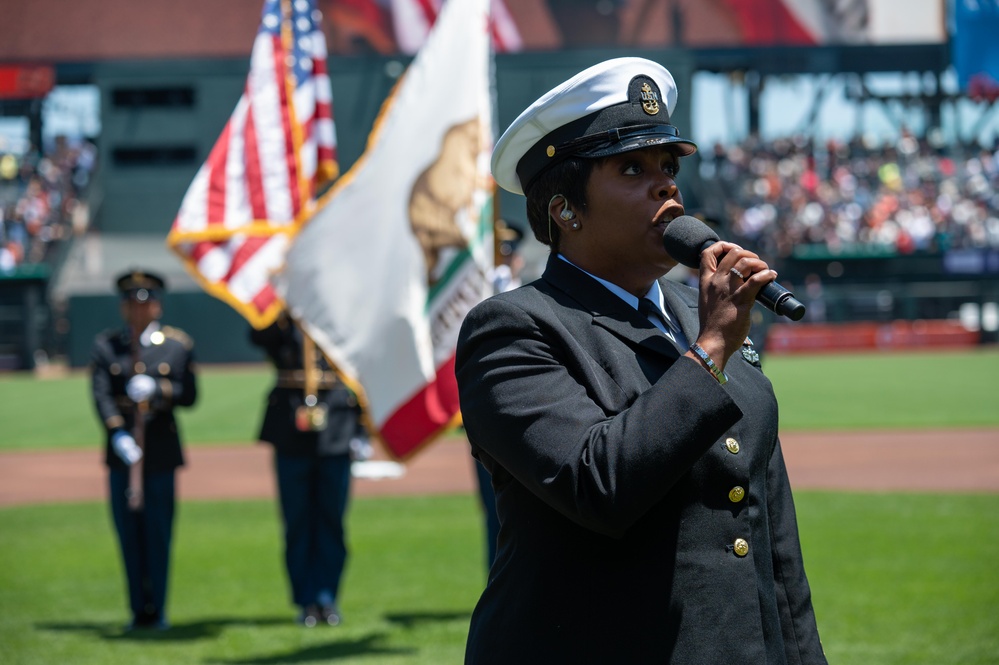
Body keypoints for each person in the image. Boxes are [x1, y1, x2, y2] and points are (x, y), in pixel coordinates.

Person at [455, 57, 828, 663]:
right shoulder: (513, 329)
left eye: (669, 166)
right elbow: (598, 485)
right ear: (564, 210)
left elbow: (770, 535)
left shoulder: (700, 313)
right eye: (632, 168)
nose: (666, 186)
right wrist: (709, 351)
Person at [90, 269, 197, 631]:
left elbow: (189, 394)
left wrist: (158, 389)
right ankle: (138, 609)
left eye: (145, 301)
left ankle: (160, 609)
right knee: (128, 535)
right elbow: (102, 394)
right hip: (122, 455)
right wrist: (118, 434)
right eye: (130, 302)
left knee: (159, 533)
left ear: (157, 306)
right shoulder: (107, 345)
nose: (137, 309)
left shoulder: (176, 345)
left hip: (161, 453)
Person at [249, 311, 369, 627]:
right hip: (291, 428)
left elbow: (363, 361)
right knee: (297, 521)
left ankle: (327, 598)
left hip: (339, 426)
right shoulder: (283, 314)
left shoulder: (341, 313)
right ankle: (305, 600)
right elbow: (259, 335)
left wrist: (362, 430)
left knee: (332, 520)